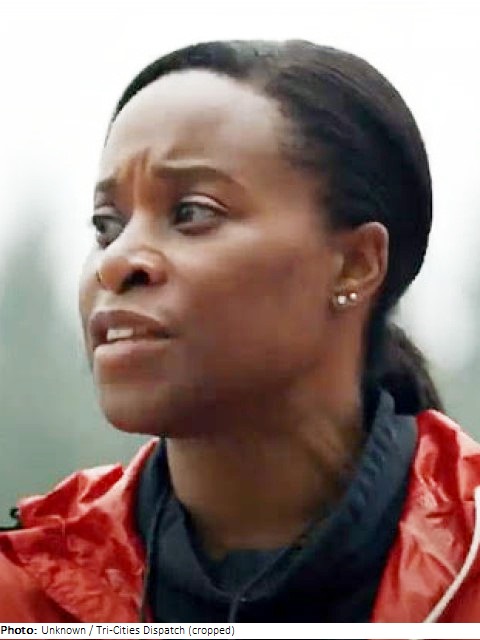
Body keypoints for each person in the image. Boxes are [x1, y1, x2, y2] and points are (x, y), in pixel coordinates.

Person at [1, 39, 479, 624]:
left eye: (192, 213)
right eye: (107, 226)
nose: (117, 261)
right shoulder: (25, 594)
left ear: (355, 264)